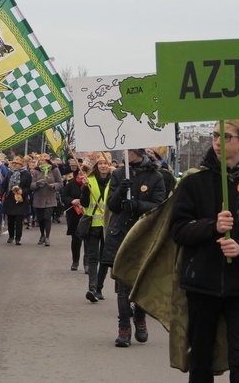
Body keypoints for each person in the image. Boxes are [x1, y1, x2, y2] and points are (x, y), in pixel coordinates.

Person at [170, 119, 239, 382]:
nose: (218, 142)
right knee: (201, 358)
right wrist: (212, 227)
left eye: (226, 137)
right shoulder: (193, 182)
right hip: (202, 284)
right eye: (215, 135)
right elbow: (178, 230)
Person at [102, 148, 166, 347]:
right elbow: (112, 205)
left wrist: (137, 205)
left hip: (144, 237)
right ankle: (124, 328)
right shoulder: (119, 174)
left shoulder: (155, 176)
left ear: (137, 153)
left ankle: (139, 317)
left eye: (128, 151)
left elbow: (159, 205)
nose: (124, 153)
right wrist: (121, 191)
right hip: (120, 234)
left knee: (140, 283)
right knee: (122, 284)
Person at [80, 155, 113, 302]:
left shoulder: (115, 181)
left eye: (105, 163)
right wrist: (86, 188)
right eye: (100, 163)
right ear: (96, 165)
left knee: (105, 259)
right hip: (92, 225)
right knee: (93, 258)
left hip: (108, 225)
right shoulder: (89, 179)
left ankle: (99, 288)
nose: (103, 166)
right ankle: (92, 288)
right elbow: (85, 203)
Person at [30, 153, 63, 246]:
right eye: (40, 160)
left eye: (43, 160)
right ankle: (42, 235)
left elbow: (60, 183)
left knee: (47, 217)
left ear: (48, 161)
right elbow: (32, 185)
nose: (41, 162)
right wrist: (37, 184)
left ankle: (47, 237)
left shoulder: (54, 170)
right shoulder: (36, 171)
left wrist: (54, 185)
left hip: (50, 198)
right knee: (40, 218)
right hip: (39, 198)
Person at [0, 156, 32, 245]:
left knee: (19, 218)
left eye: (16, 164)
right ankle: (11, 236)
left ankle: (18, 238)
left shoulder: (27, 174)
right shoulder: (9, 173)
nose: (14, 165)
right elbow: (4, 185)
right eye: (13, 163)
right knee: (11, 218)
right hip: (10, 198)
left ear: (21, 165)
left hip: (20, 199)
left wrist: (22, 191)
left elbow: (29, 188)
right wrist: (0, 195)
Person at [61, 158, 85, 271]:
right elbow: (64, 196)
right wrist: (72, 201)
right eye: (80, 172)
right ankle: (75, 261)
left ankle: (87, 263)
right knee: (76, 238)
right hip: (74, 214)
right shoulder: (71, 183)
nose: (82, 174)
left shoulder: (91, 183)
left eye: (84, 172)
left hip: (89, 215)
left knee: (89, 240)